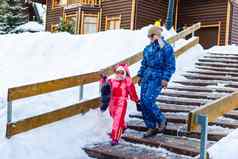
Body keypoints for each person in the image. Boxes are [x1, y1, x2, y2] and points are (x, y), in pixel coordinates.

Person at [137, 26, 176, 137]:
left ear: (157, 35)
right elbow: (144, 64)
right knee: (143, 102)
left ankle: (161, 119)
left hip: (157, 77)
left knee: (149, 100)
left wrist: (165, 78)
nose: (150, 38)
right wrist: (140, 75)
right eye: (150, 36)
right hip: (146, 77)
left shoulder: (166, 47)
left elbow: (170, 65)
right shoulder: (147, 48)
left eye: (152, 35)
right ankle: (151, 127)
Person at [100, 63, 140, 146]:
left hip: (122, 103)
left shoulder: (127, 82)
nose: (119, 74)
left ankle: (115, 138)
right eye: (118, 72)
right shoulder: (112, 80)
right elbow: (105, 86)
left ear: (124, 73)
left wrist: (136, 100)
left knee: (117, 120)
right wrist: (103, 79)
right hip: (112, 102)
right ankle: (123, 126)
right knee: (113, 116)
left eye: (122, 73)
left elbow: (132, 93)